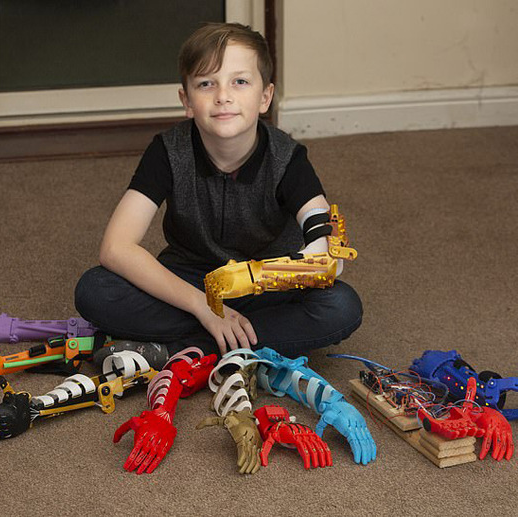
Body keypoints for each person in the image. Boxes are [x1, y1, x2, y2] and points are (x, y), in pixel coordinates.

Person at [74, 22, 362, 363]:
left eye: (240, 82)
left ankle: (184, 350)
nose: (223, 96)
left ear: (265, 97)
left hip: (267, 286)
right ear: (186, 100)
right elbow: (115, 248)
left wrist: (278, 272)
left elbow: (325, 246)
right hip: (192, 281)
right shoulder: (168, 151)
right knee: (94, 290)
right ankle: (235, 337)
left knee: (341, 306)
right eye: (206, 83)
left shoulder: (287, 158)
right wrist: (204, 306)